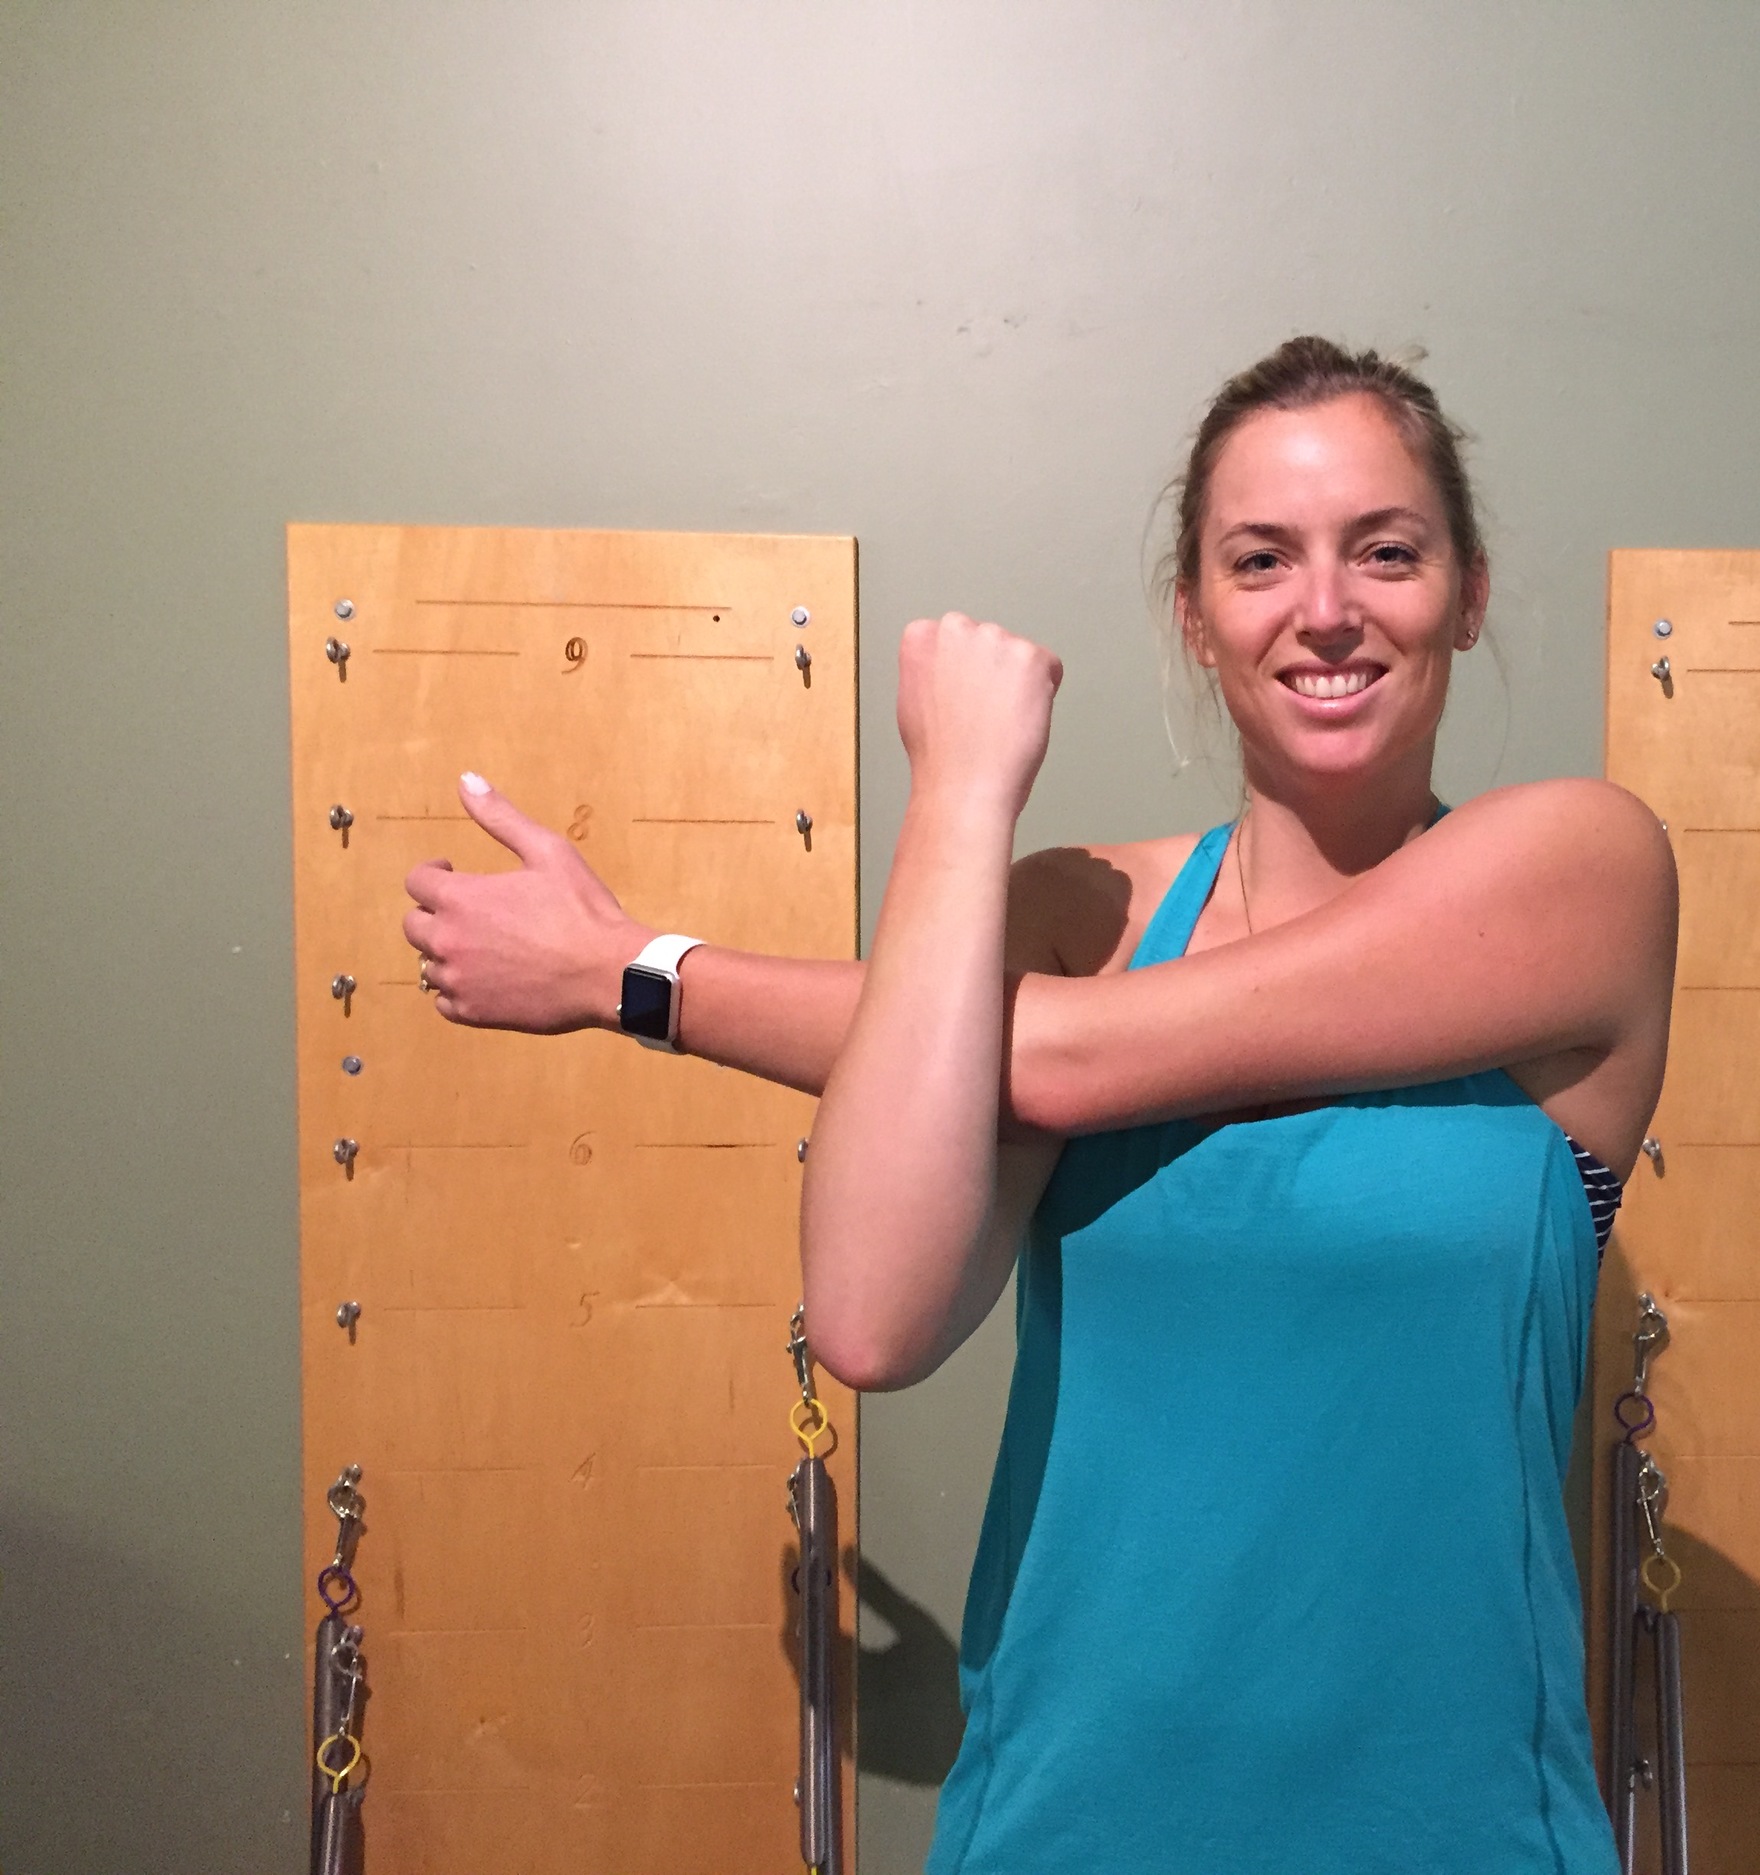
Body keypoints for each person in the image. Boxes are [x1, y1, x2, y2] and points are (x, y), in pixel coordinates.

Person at [402, 336, 1677, 1874]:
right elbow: (871, 1323)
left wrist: (632, 974)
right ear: (1194, 616)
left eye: (1387, 552)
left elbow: (1063, 1062)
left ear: (1466, 594)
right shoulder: (1079, 914)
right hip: (1071, 1829)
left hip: (1460, 1835)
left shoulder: (1581, 872)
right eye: (1261, 559)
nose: (1328, 607)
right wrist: (959, 792)